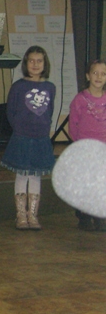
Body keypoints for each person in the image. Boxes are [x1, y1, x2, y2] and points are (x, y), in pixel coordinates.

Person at [1, 46, 56, 231]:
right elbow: (10, 111)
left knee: (35, 175)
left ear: (45, 64)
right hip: (22, 136)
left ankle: (32, 214)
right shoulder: (18, 86)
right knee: (22, 174)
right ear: (25, 63)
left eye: (39, 61)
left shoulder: (50, 87)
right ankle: (21, 215)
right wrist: (18, 127)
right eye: (31, 61)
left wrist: (45, 127)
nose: (35, 64)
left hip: (40, 137)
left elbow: (49, 110)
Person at [67, 59, 106, 231]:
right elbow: (73, 125)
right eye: (95, 73)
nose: (99, 77)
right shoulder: (80, 99)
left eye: (103, 74)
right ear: (88, 76)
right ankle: (84, 215)